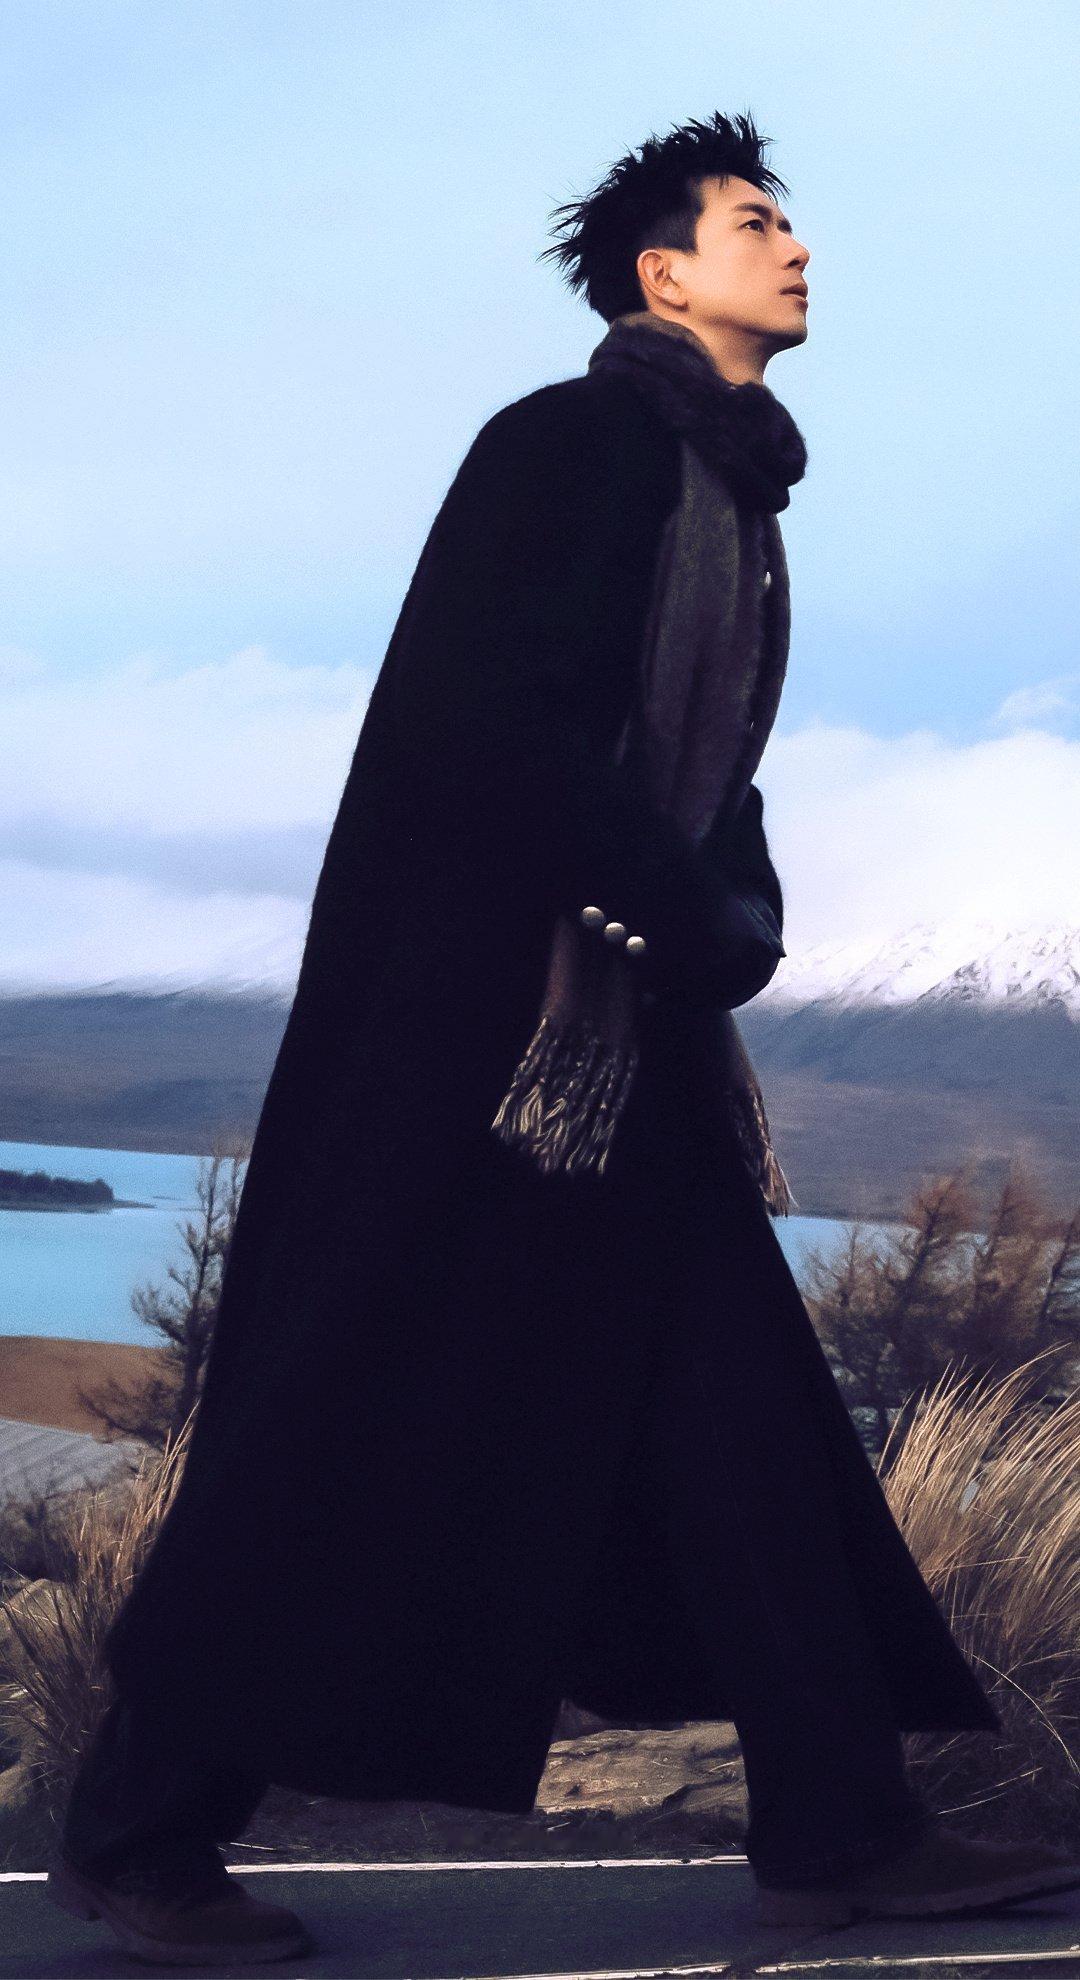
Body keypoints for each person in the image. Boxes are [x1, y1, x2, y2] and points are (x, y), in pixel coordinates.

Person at [48, 109, 1080, 1965]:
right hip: (478, 1048)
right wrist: (680, 910)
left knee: (746, 1419)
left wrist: (733, 912)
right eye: (755, 222)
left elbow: (703, 773)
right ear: (663, 276)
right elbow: (482, 728)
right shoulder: (571, 445)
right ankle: (137, 1828)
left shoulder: (726, 495)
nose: (798, 246)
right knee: (350, 1406)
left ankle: (845, 1824)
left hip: (617, 1039)